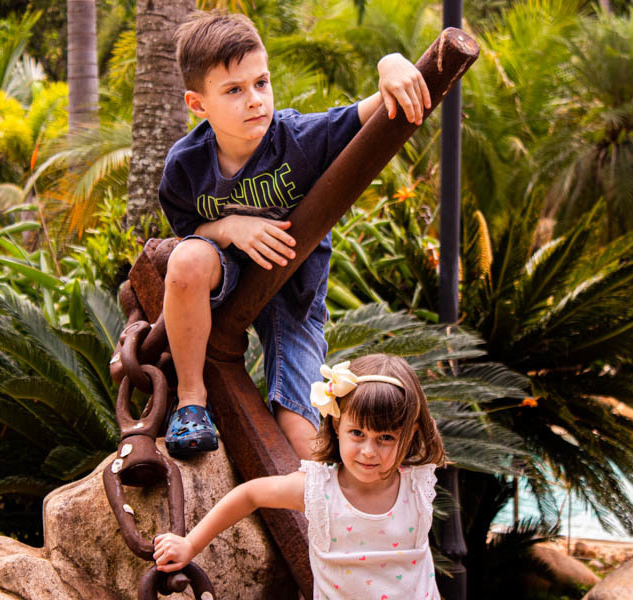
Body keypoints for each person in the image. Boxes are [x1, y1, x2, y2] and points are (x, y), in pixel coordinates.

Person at [158, 11, 432, 459]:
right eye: (234, 90)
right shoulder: (185, 167)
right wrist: (229, 227)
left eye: (261, 83)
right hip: (224, 274)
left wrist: (392, 63)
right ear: (197, 104)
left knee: (303, 436)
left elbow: (374, 111)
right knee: (186, 261)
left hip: (293, 291)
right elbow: (189, 232)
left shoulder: (298, 138)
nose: (254, 100)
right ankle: (192, 404)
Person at [153, 354, 446, 599]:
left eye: (386, 437)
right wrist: (190, 545)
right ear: (336, 424)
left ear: (409, 437)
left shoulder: (417, 486)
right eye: (357, 433)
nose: (369, 451)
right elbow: (251, 494)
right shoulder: (319, 491)